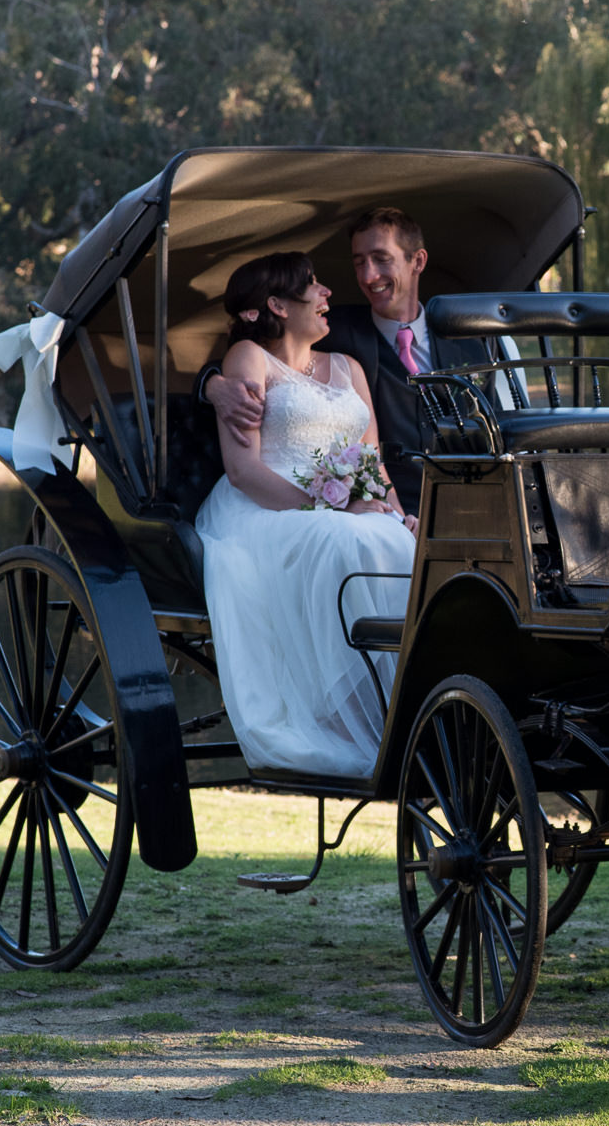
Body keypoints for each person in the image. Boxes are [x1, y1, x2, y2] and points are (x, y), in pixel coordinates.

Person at [193, 251, 415, 779]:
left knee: (403, 546)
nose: (326, 294)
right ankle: (345, 719)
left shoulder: (349, 368)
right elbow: (244, 470)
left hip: (340, 506)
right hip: (264, 509)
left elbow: (372, 464)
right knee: (346, 541)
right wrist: (334, 506)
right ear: (276, 304)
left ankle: (411, 706)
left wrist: (398, 515)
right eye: (312, 286)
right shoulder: (248, 359)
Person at [202, 206, 522, 526]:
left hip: (470, 503)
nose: (368, 276)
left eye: (381, 259)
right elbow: (257, 358)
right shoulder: (335, 331)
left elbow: (495, 428)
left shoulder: (471, 340)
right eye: (359, 263)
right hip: (389, 506)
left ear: (417, 261)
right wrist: (211, 385)